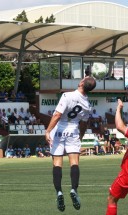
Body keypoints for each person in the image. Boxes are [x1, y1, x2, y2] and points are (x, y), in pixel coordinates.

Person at [45, 76, 96, 212]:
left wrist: (48, 131)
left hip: (60, 129)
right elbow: (84, 123)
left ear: (81, 83)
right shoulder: (87, 105)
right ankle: (74, 189)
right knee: (74, 162)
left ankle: (59, 192)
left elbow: (57, 115)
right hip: (73, 130)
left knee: (57, 163)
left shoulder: (67, 95)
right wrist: (81, 136)